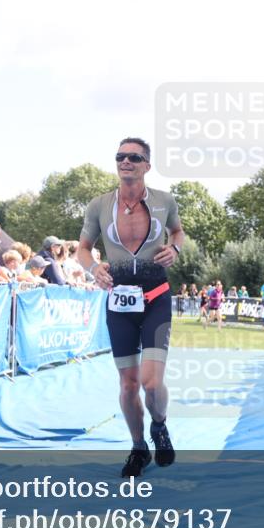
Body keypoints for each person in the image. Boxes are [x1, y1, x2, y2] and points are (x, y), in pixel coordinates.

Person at [75, 136, 185, 478]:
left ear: (146, 166)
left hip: (156, 298)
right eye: (120, 156)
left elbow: (178, 232)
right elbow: (82, 249)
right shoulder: (99, 205)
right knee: (128, 385)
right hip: (119, 301)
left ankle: (160, 425)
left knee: (152, 384)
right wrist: (94, 269)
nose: (126, 162)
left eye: (134, 157)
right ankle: (139, 448)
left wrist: (175, 249)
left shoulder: (165, 201)